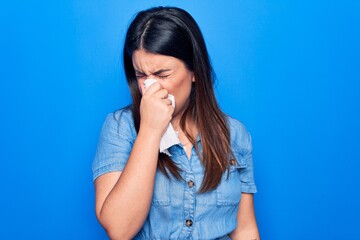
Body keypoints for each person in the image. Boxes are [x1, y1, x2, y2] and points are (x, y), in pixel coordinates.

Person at [92, 6, 259, 240]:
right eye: (141, 75)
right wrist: (150, 130)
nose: (150, 88)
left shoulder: (235, 134)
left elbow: (245, 229)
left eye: (162, 75)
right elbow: (119, 229)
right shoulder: (120, 127)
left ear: (195, 72)